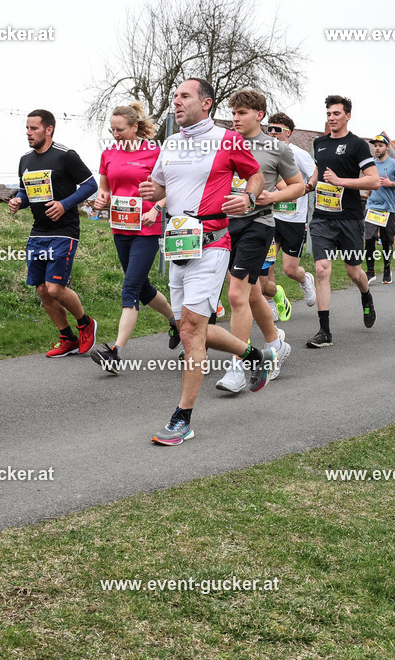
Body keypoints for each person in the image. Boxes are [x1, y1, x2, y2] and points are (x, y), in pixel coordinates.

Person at [139, 77, 274, 445]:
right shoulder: (169, 144)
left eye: (185, 96)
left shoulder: (227, 140)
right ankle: (252, 354)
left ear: (206, 103)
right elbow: (165, 188)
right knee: (188, 328)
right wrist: (155, 193)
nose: (177, 102)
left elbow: (256, 175)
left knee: (192, 329)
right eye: (175, 97)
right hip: (178, 247)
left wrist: (247, 197)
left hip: (213, 245)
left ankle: (182, 417)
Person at [213, 89, 304, 393]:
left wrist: (273, 196)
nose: (235, 118)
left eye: (241, 113)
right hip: (227, 227)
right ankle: (277, 343)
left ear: (259, 115)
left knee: (237, 295)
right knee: (251, 294)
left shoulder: (276, 148)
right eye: (233, 113)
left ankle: (238, 365)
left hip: (258, 224)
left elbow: (298, 186)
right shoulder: (224, 143)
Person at [89, 102, 177, 373]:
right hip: (120, 227)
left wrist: (157, 209)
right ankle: (177, 320)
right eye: (112, 130)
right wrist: (101, 201)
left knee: (129, 289)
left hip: (146, 229)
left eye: (120, 130)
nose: (115, 135)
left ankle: (115, 352)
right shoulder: (109, 154)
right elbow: (105, 188)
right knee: (142, 288)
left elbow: (173, 189)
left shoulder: (154, 153)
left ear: (135, 127)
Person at [8, 110, 98, 358]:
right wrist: (18, 200)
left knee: (55, 287)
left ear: (49, 129)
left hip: (64, 230)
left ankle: (85, 324)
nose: (28, 133)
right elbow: (25, 192)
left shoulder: (65, 155)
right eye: (27, 128)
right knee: (41, 290)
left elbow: (91, 184)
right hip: (38, 232)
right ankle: (67, 338)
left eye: (33, 128)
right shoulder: (25, 160)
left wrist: (64, 204)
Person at [305, 95, 380, 348]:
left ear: (348, 116)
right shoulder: (320, 143)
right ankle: (324, 332)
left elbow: (374, 181)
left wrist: (341, 181)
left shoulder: (357, 145)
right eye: (328, 114)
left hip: (349, 218)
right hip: (323, 218)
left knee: (352, 271)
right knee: (322, 269)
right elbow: (319, 167)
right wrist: (311, 183)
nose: (332, 118)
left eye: (336, 113)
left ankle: (366, 295)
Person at [266, 112, 318, 309]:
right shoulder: (266, 152)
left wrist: (310, 185)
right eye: (269, 129)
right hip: (271, 217)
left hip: (294, 218)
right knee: (267, 263)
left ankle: (305, 280)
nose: (272, 133)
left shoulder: (298, 153)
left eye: (277, 130)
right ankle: (272, 304)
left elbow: (314, 171)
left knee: (289, 269)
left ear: (288, 133)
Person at [363, 133, 395, 285]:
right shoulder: (371, 164)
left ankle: (387, 269)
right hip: (372, 207)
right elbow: (368, 181)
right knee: (368, 239)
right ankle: (370, 271)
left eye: (380, 146)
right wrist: (367, 189)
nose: (377, 148)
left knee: (387, 241)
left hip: (388, 209)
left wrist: (391, 184)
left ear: (387, 147)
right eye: (375, 146)